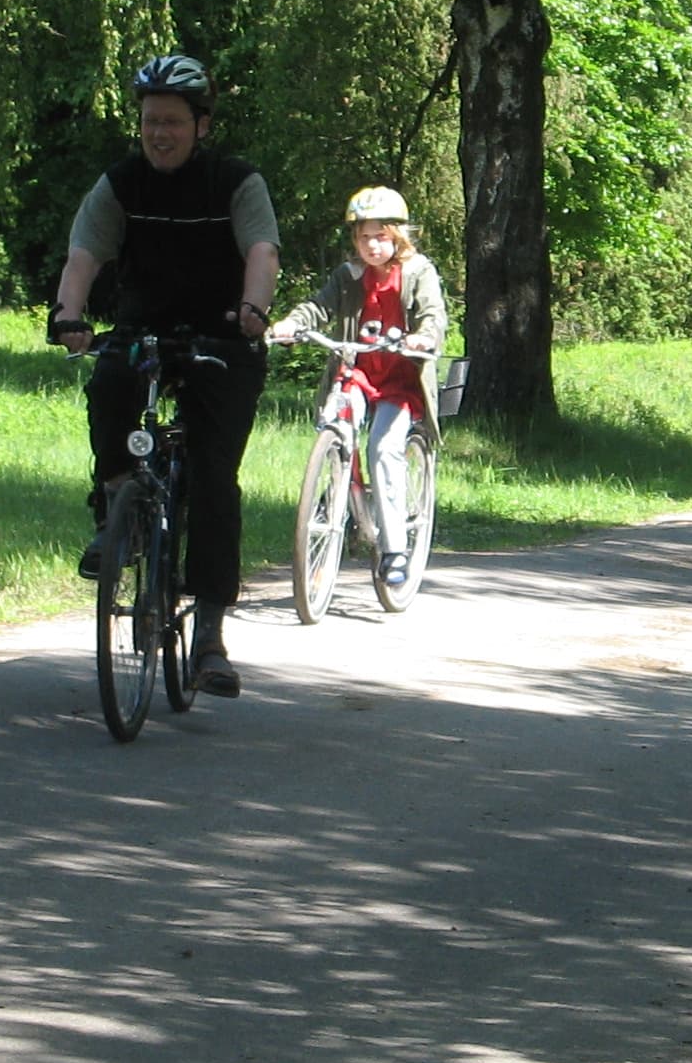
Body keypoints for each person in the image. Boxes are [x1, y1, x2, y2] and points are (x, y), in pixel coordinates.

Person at [51, 55, 280, 698]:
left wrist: (253, 310)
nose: (160, 134)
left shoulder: (236, 182)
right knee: (109, 385)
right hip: (145, 328)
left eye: (173, 122)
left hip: (222, 335)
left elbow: (261, 250)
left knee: (212, 477)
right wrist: (68, 313)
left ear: (201, 125)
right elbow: (84, 254)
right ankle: (116, 513)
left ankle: (209, 635)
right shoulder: (122, 183)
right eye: (151, 121)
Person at [269, 187, 450, 587]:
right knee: (335, 425)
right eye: (364, 237)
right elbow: (318, 306)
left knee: (383, 448)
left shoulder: (418, 272)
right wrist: (292, 324)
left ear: (397, 236)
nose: (372, 245)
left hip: (400, 382)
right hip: (358, 374)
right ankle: (336, 499)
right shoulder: (349, 275)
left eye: (380, 236)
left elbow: (434, 315)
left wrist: (422, 337)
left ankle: (394, 548)